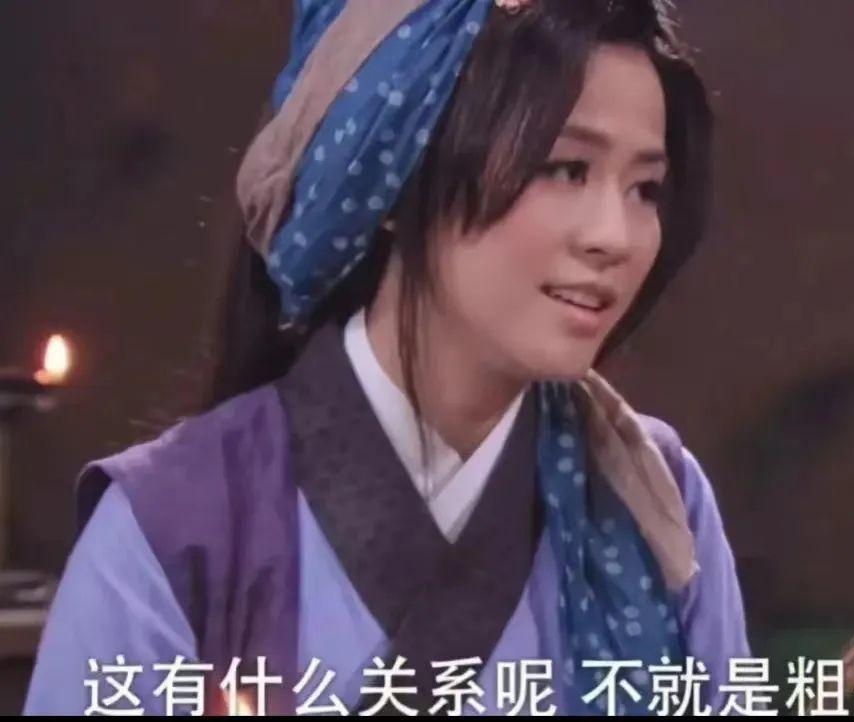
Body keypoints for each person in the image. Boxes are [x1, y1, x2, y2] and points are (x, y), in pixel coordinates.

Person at [24, 0, 750, 715]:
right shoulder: (171, 528)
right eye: (565, 169)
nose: (615, 236)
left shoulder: (655, 500)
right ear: (398, 178)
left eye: (645, 188)